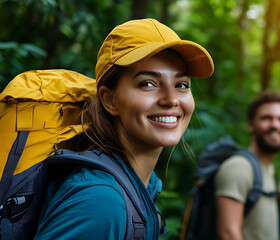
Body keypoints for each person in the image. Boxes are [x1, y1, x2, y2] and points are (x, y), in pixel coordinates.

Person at [34, 18, 214, 239]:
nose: (171, 99)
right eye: (148, 83)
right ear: (109, 100)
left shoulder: (139, 185)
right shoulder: (100, 201)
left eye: (181, 85)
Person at [214, 91, 280, 240]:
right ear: (250, 124)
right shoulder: (239, 167)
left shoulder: (267, 167)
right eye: (266, 118)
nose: (275, 125)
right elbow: (228, 233)